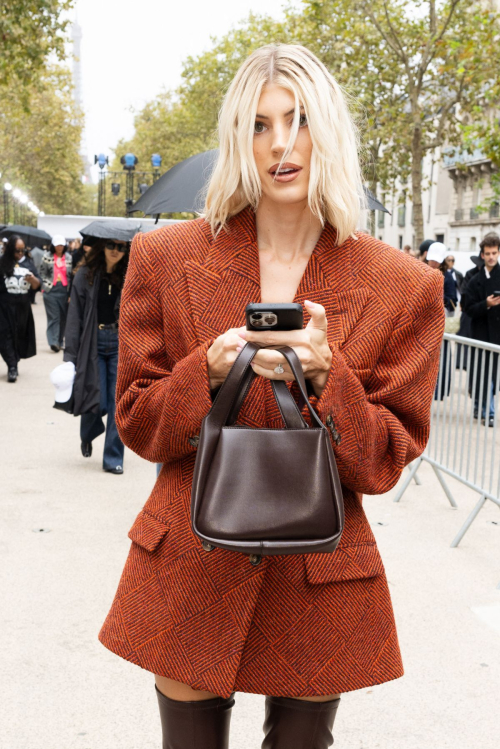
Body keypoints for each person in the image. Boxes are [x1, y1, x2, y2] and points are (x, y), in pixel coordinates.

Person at [98, 44, 444, 749]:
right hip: (190, 561)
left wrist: (327, 377)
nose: (280, 143)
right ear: (236, 139)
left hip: (320, 575)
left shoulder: (405, 284)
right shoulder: (167, 259)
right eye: (258, 125)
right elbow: (136, 419)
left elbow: (384, 460)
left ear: (329, 132)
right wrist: (207, 374)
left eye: (298, 120)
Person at [63, 237, 129, 473]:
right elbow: (74, 317)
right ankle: (88, 433)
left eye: (122, 247)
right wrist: (69, 358)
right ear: (103, 247)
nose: (116, 251)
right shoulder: (85, 274)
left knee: (116, 403)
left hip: (119, 343)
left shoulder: (128, 275)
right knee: (96, 400)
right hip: (93, 343)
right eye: (111, 245)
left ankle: (113, 458)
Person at [462, 233, 500, 426]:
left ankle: (489, 411)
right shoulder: (474, 279)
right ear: (483, 255)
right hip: (479, 335)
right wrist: (485, 304)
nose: (491, 256)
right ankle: (480, 407)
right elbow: (467, 307)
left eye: (494, 252)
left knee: (492, 375)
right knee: (479, 374)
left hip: (496, 336)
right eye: (488, 253)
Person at [0, 235, 41, 382]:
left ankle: (14, 362)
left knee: (19, 336)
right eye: (17, 250)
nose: (20, 253)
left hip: (22, 308)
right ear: (11, 249)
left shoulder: (28, 264)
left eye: (22, 250)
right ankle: (12, 366)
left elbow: (37, 285)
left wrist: (32, 280)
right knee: (4, 336)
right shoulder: (2, 263)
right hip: (4, 307)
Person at [39, 234, 72, 352]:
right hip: (50, 290)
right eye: (57, 245)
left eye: (62, 245)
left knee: (63, 317)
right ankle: (53, 342)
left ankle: (60, 341)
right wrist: (44, 285)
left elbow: (71, 275)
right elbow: (41, 272)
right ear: (53, 245)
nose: (60, 247)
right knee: (54, 317)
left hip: (64, 290)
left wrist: (70, 294)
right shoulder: (46, 257)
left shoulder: (68, 258)